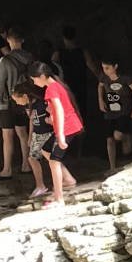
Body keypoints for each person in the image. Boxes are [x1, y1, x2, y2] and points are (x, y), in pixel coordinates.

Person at [20, 62, 85, 199]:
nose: (34, 81)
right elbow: (59, 108)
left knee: (54, 161)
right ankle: (67, 181)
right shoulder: (57, 85)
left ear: (42, 76)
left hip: (67, 127)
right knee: (46, 149)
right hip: (69, 124)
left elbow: (60, 110)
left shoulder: (51, 89)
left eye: (34, 78)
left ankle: (59, 198)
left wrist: (60, 134)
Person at [0, 26, 38, 179]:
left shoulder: (5, 60)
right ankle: (26, 165)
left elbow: (0, 85)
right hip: (25, 100)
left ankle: (7, 169)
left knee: (8, 136)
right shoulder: (30, 58)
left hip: (7, 101)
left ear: (8, 40)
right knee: (23, 133)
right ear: (22, 40)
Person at [94, 58, 132, 172]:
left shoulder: (125, 78)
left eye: (107, 68)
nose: (105, 70)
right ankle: (112, 167)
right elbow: (100, 86)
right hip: (110, 112)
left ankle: (127, 136)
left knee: (118, 136)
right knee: (109, 139)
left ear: (115, 66)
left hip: (124, 111)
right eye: (103, 68)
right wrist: (100, 100)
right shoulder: (104, 77)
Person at [57, 25, 95, 116]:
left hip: (65, 85)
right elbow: (93, 67)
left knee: (69, 111)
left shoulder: (58, 54)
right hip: (80, 85)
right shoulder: (82, 52)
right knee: (81, 111)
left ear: (63, 37)